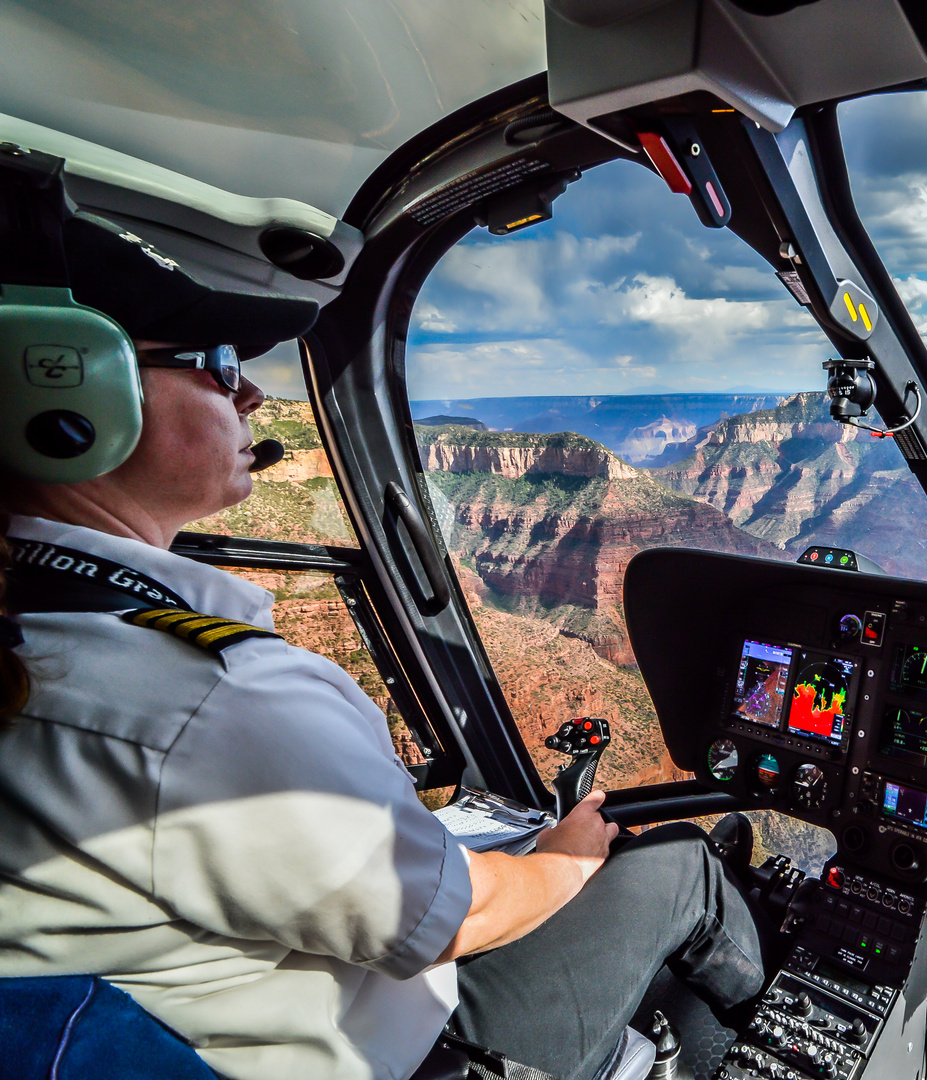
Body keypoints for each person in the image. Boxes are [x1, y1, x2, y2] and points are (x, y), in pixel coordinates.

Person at [0, 212, 765, 1080]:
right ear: (68, 394)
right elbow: (456, 921)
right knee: (682, 866)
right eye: (217, 365)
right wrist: (567, 859)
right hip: (414, 1056)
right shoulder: (207, 703)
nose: (251, 394)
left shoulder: (37, 628)